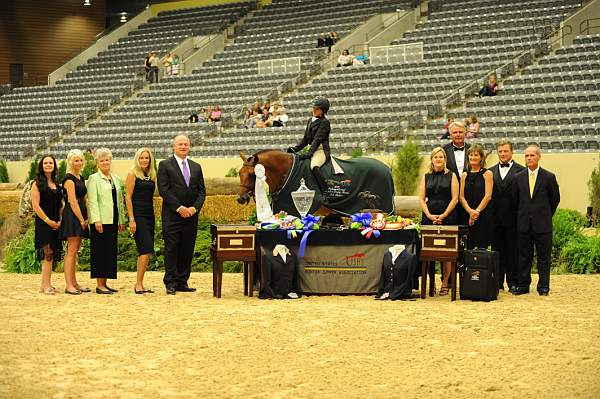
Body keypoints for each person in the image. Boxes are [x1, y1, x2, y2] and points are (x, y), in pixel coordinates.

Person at [157, 134, 206, 295]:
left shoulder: (196, 166)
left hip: (191, 217)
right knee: (172, 249)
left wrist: (194, 208)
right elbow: (164, 189)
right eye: (180, 144)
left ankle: (182, 281)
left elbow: (201, 191)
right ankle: (170, 282)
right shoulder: (165, 165)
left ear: (189, 146)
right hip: (172, 216)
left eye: (186, 144)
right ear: (174, 146)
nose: (183, 146)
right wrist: (179, 208)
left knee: (187, 249)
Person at [512, 145, 560, 296]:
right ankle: (523, 285)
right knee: (524, 256)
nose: (529, 158)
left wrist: (544, 215)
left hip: (543, 225)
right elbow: (515, 201)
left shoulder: (549, 177)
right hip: (524, 224)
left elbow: (555, 200)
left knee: (543, 257)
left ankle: (543, 286)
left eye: (532, 155)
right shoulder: (518, 178)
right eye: (527, 156)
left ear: (539, 157)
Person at [418, 147, 459, 296]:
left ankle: (445, 283)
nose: (438, 159)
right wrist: (429, 215)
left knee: (447, 252)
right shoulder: (426, 176)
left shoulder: (452, 175)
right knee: (428, 252)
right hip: (429, 217)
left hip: (448, 216)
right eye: (436, 157)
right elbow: (421, 198)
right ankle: (431, 284)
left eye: (441, 157)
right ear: (432, 159)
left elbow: (455, 198)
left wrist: (443, 215)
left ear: (445, 160)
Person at [87, 148, 126, 294]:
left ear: (111, 161)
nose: (105, 162)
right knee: (100, 252)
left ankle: (105, 283)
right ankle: (99, 285)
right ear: (97, 162)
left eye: (107, 160)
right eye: (102, 160)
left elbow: (119, 201)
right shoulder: (93, 179)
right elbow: (93, 201)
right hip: (101, 221)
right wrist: (96, 220)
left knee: (109, 252)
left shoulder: (115, 178)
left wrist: (121, 220)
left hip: (113, 220)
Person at [490, 140, 525, 291]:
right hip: (495, 220)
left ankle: (513, 282)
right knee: (497, 252)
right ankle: (497, 282)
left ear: (512, 152)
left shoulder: (522, 171)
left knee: (513, 252)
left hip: (514, 219)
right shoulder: (490, 172)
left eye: (505, 151)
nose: (503, 154)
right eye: (500, 151)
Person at [287, 97, 337, 192]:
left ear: (323, 111)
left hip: (321, 151)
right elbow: (306, 139)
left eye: (317, 108)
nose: (314, 109)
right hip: (311, 150)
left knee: (314, 166)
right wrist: (295, 149)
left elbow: (317, 140)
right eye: (314, 107)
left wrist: (309, 154)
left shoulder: (325, 122)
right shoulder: (310, 120)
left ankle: (325, 190)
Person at [125, 148, 157, 294]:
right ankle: (138, 284)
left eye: (147, 158)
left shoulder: (150, 175)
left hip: (149, 216)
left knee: (146, 251)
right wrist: (131, 219)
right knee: (145, 250)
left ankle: (140, 283)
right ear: (137, 159)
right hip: (138, 216)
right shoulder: (132, 174)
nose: (145, 160)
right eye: (142, 158)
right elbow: (128, 197)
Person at [59, 149, 90, 295]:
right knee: (71, 250)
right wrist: (81, 219)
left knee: (76, 250)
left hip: (81, 215)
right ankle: (68, 285)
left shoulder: (80, 177)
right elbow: (72, 202)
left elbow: (84, 199)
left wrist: (88, 216)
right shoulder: (69, 179)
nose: (79, 162)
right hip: (73, 216)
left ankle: (75, 283)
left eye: (81, 160)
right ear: (70, 162)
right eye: (76, 160)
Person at [31, 155, 63, 295]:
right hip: (44, 223)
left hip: (56, 222)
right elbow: (36, 206)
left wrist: (60, 221)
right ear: (41, 166)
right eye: (46, 163)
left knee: (51, 253)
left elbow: (61, 205)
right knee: (48, 252)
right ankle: (46, 286)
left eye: (51, 163)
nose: (48, 165)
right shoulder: (36, 184)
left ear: (54, 166)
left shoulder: (57, 184)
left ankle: (44, 285)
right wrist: (48, 221)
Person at [459, 144, 494, 249]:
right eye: (470, 155)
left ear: (481, 157)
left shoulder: (487, 173)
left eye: (476, 155)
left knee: (481, 246)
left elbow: (488, 196)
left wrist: (476, 212)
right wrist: (470, 211)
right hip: (466, 214)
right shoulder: (464, 175)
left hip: (482, 215)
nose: (473, 157)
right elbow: (461, 196)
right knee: (468, 246)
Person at [443, 121, 471, 224]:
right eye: (455, 132)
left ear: (465, 133)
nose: (458, 134)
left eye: (460, 132)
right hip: (449, 197)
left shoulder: (473, 150)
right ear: (450, 135)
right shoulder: (444, 150)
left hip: (469, 196)